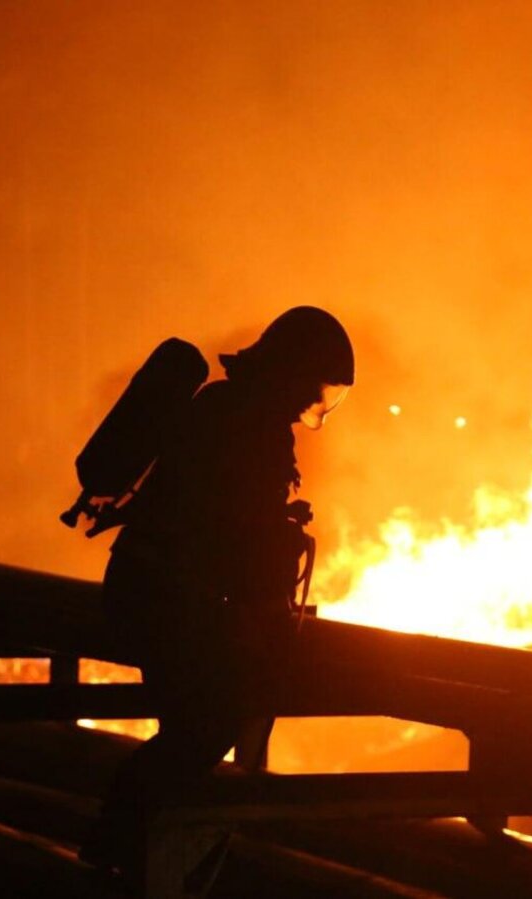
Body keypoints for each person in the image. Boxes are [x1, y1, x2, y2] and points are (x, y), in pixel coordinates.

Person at [80, 306, 354, 890]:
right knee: (209, 721)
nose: (316, 400)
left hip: (145, 586)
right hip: (166, 598)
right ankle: (126, 839)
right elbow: (243, 538)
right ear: (294, 373)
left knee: (196, 717)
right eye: (316, 385)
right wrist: (272, 598)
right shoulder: (253, 427)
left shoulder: (222, 406)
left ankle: (133, 851)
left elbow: (218, 517)